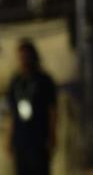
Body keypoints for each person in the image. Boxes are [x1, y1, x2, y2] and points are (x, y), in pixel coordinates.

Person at [4, 39, 57, 175]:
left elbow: (52, 110)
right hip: (20, 140)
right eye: (21, 57)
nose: (24, 60)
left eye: (26, 56)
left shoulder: (44, 80)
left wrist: (52, 135)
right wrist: (8, 139)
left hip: (38, 138)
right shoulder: (15, 82)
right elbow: (11, 114)